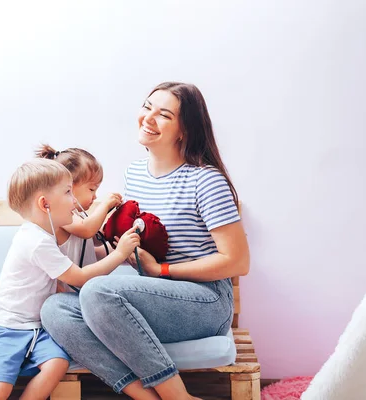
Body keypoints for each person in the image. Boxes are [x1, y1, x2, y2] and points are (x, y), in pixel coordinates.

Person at [40, 82, 250, 400]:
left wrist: (161, 270)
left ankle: (178, 396)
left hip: (205, 301)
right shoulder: (135, 174)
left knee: (97, 291)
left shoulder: (206, 180)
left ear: (184, 130)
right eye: (147, 107)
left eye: (163, 114)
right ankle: (144, 395)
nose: (148, 118)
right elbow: (132, 243)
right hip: (154, 296)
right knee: (55, 308)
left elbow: (237, 262)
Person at [0, 159, 140, 400]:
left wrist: (121, 255)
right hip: (6, 325)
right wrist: (120, 253)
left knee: (57, 363)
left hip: (39, 327)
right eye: (68, 192)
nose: (74, 201)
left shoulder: (48, 235)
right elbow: (78, 277)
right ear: (44, 204)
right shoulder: (36, 241)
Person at [36, 145, 122, 291]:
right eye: (92, 189)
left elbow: (92, 240)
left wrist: (117, 238)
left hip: (83, 289)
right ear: (69, 187)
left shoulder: (79, 216)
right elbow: (86, 230)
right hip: (68, 292)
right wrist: (105, 205)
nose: (95, 196)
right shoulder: (60, 217)